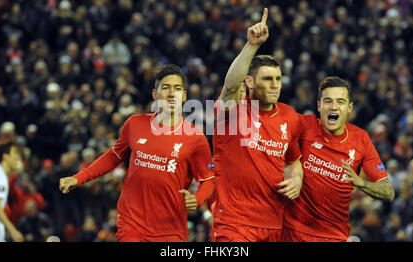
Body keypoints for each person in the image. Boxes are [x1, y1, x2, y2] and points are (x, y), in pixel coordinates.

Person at [59, 64, 215, 242]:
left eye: (177, 88)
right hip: (132, 224)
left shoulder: (195, 137)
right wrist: (79, 178)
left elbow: (208, 179)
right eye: (165, 87)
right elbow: (114, 156)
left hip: (170, 230)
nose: (172, 93)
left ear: (185, 96)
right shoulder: (134, 124)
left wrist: (198, 199)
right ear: (155, 95)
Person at [210, 8, 304, 242]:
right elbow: (231, 87)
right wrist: (251, 46)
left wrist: (297, 180)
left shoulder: (290, 117)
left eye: (278, 79)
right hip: (234, 225)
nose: (275, 85)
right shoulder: (232, 113)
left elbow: (293, 162)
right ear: (249, 82)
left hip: (274, 225)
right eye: (267, 79)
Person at [282, 76, 395, 242]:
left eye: (340, 102)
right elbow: (270, 118)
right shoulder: (305, 125)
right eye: (328, 101)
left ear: (349, 108)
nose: (334, 107)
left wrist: (360, 183)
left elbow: (388, 192)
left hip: (334, 236)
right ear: (319, 106)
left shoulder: (361, 139)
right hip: (293, 232)